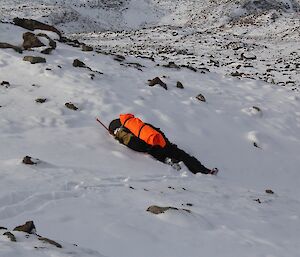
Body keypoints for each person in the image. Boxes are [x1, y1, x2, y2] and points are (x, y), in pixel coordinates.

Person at [108, 113, 218, 175]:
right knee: (182, 154)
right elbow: (152, 128)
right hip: (161, 140)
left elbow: (133, 143)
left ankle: (167, 160)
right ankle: (203, 170)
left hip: (151, 145)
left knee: (158, 152)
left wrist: (146, 148)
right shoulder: (135, 122)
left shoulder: (123, 132)